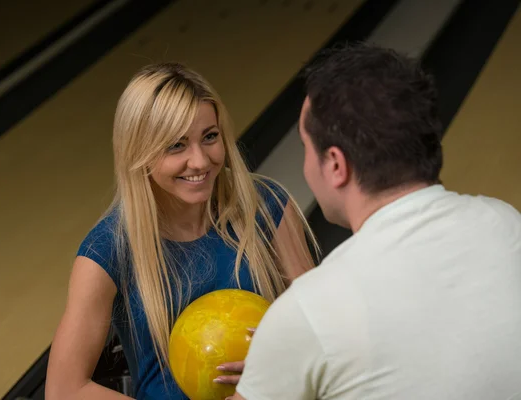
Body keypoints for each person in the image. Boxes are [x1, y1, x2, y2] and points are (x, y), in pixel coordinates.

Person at [234, 43, 521, 400]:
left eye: (306, 146)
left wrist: (276, 363)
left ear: (336, 165)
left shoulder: (308, 310)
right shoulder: (506, 225)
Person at [44, 62, 320, 400]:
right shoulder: (107, 250)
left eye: (210, 137)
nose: (201, 161)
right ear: (139, 153)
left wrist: (279, 369)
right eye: (176, 145)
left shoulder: (266, 206)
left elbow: (319, 328)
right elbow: (64, 390)